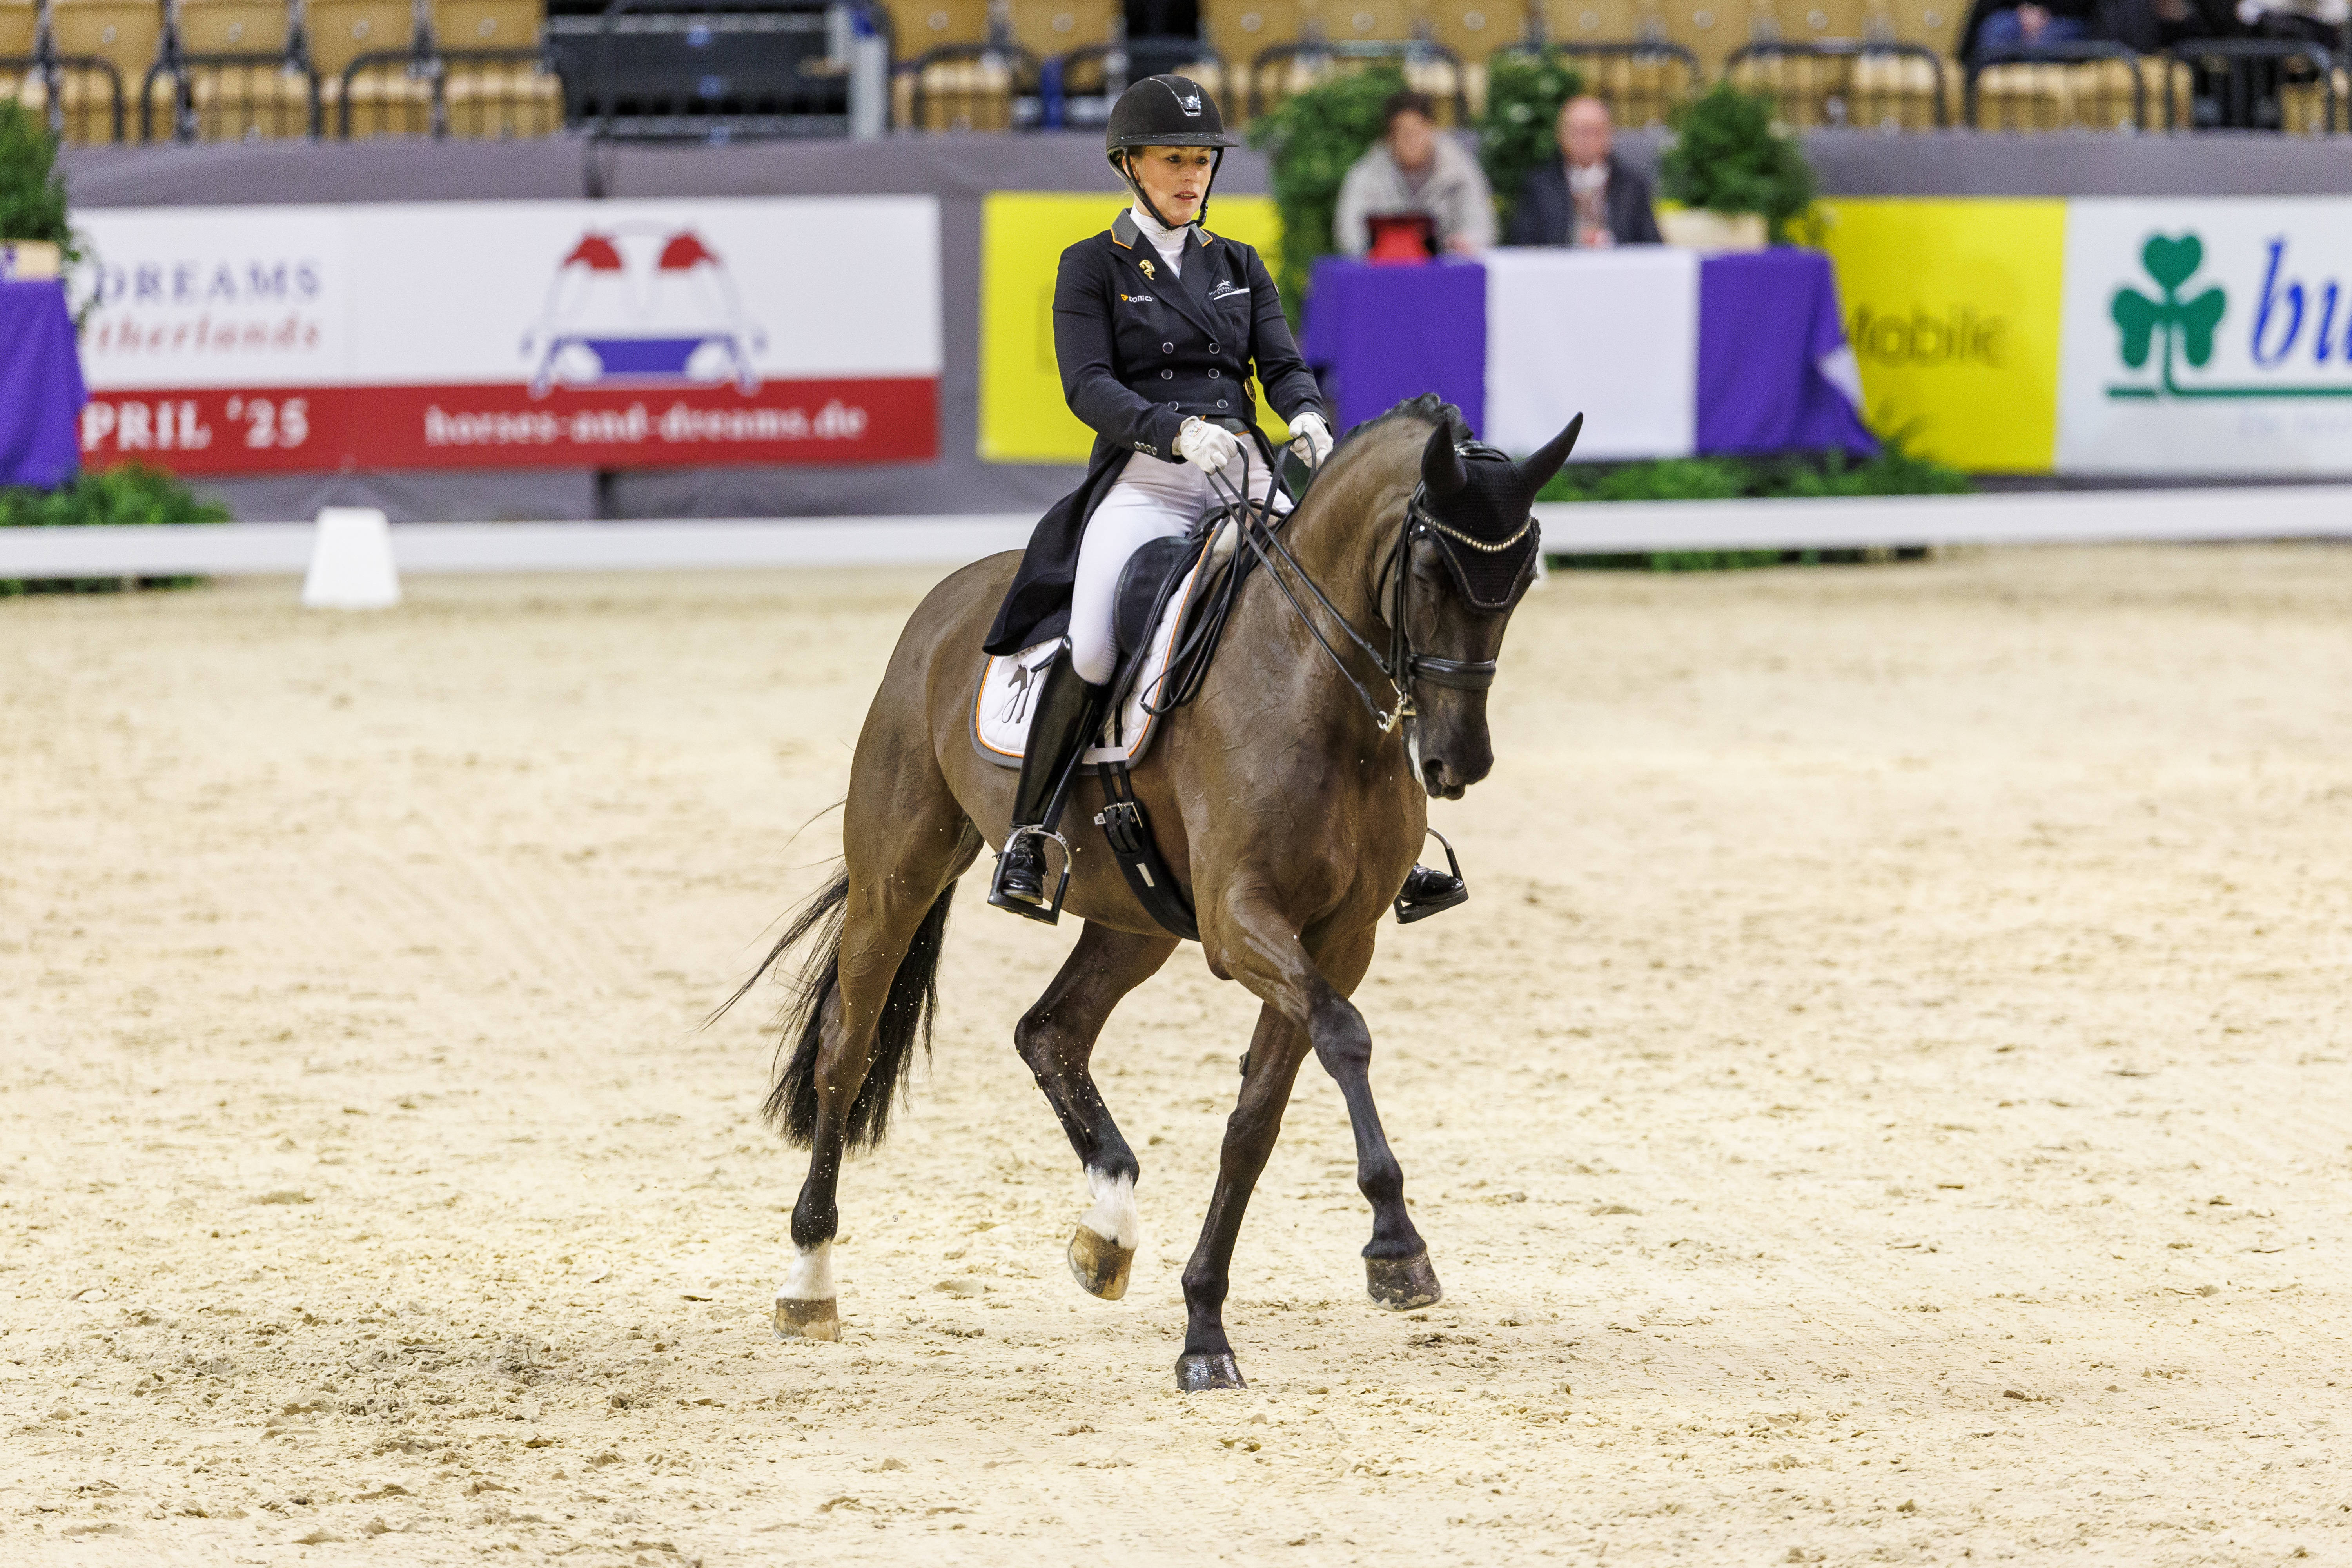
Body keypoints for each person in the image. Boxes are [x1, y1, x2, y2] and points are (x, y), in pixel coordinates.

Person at [980, 74, 1464, 922]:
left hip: (1245, 475)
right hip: (1149, 481)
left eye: (1202, 161)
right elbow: (1087, 385)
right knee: (1093, 639)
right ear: (1129, 164)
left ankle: (1401, 833)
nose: (1191, 176)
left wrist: (1308, 417)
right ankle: (1032, 836)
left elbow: (1279, 366)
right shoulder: (1091, 266)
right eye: (1174, 160)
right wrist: (1170, 431)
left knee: (1348, 613)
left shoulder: (1238, 264)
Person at [1333, 90, 1497, 259]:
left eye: (1418, 131)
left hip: (1447, 273)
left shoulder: (1461, 169)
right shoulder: (1366, 174)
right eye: (1404, 133)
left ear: (1432, 129)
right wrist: (1374, 251)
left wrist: (1466, 243)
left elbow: (1481, 225)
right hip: (1387, 274)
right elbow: (1349, 230)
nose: (1412, 141)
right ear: (1390, 138)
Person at [1503, 95, 1662, 250]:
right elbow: (1522, 245)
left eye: (1594, 131)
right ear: (1561, 136)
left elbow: (1652, 246)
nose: (1586, 139)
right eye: (1578, 131)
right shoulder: (1539, 186)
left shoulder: (1632, 185)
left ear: (1609, 135)